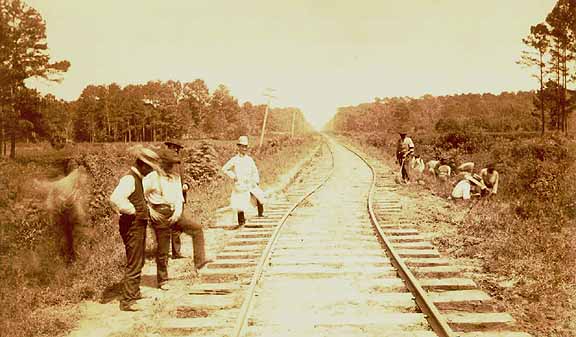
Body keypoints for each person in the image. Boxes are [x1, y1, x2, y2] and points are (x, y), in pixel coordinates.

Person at [110, 146, 160, 311]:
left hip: (137, 225)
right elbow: (116, 199)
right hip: (132, 225)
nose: (151, 171)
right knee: (134, 261)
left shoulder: (137, 178)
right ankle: (127, 301)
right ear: (143, 165)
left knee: (138, 259)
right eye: (150, 168)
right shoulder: (129, 179)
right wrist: (132, 210)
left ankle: (134, 292)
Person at [222, 136, 266, 228]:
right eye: (242, 146)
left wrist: (256, 180)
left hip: (250, 182)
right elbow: (225, 169)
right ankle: (241, 221)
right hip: (240, 184)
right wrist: (234, 176)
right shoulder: (235, 159)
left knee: (259, 196)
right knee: (239, 202)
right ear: (238, 147)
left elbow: (254, 170)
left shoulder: (249, 159)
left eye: (245, 146)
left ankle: (260, 213)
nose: (244, 148)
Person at [163, 141, 189, 259]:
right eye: (174, 149)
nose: (176, 151)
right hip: (168, 199)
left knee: (177, 225)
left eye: (177, 149)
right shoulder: (163, 164)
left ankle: (176, 252)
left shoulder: (178, 162)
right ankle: (164, 251)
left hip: (179, 197)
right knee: (166, 226)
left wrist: (186, 185)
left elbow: (183, 178)